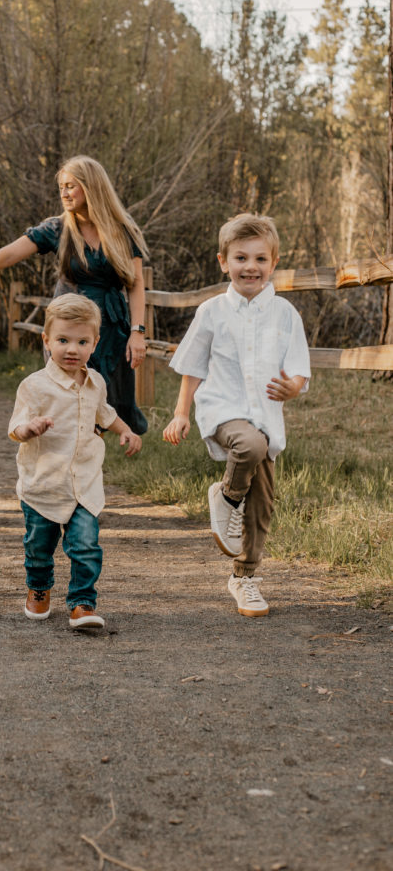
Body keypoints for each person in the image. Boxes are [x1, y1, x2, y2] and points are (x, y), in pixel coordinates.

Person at [0, 155, 149, 434]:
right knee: (67, 401)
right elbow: (9, 253)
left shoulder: (121, 229)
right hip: (68, 325)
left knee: (103, 405)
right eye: (62, 186)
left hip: (110, 330)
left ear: (91, 186)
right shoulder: (58, 228)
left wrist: (137, 331)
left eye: (71, 186)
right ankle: (64, 469)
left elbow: (136, 282)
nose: (64, 193)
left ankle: (87, 468)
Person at [162, 214, 310, 617]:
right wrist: (180, 414)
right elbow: (193, 365)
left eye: (260, 258)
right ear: (223, 261)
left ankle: (244, 578)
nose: (251, 267)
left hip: (267, 417)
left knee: (261, 505)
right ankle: (226, 495)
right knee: (248, 444)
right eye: (240, 257)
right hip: (223, 409)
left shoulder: (285, 314)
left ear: (274, 263)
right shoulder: (212, 312)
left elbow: (299, 368)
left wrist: (295, 387)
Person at [9, 294, 142, 629]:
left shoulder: (96, 382)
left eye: (82, 341)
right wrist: (30, 428)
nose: (72, 349)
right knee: (39, 547)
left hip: (84, 483)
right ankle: (38, 588)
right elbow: (15, 427)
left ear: (95, 343)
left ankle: (82, 603)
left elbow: (106, 414)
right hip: (44, 485)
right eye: (63, 340)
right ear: (47, 340)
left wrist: (126, 431)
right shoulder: (35, 387)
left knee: (86, 545)